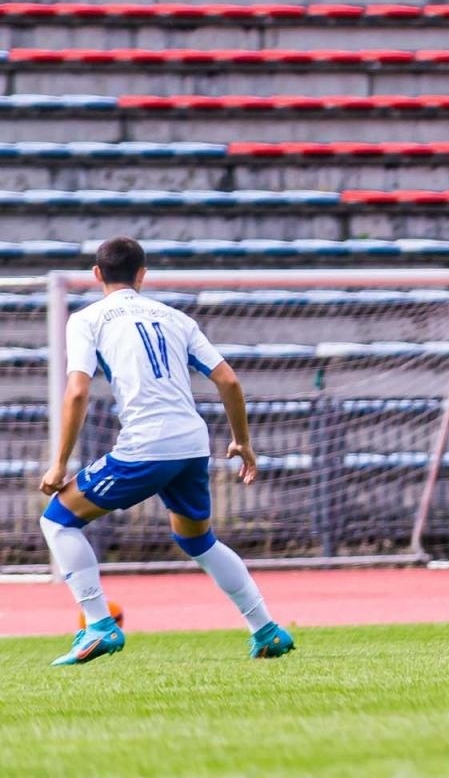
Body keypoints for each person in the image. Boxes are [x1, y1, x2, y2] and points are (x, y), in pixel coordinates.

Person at [37, 236, 296, 664]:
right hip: (192, 445)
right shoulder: (175, 317)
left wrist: (59, 463)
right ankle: (266, 630)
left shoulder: (88, 319)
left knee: (59, 521)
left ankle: (99, 626)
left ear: (97, 274)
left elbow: (78, 391)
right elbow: (229, 380)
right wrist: (242, 442)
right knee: (197, 540)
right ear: (142, 275)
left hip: (146, 444)